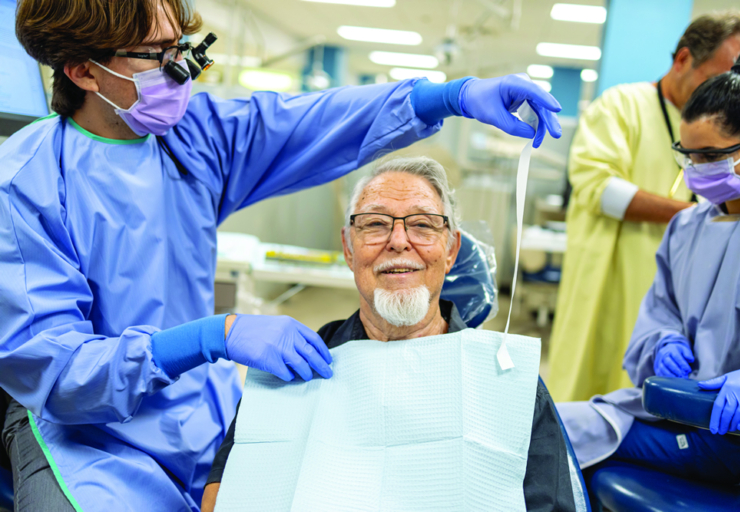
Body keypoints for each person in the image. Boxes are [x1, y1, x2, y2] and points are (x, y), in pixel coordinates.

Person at [0, 0, 563, 509]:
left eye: (182, 52)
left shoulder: (192, 136)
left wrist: (447, 96)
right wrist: (209, 338)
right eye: (155, 57)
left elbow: (306, 121)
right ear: (81, 69)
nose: (179, 74)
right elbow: (59, 371)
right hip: (86, 433)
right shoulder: (25, 185)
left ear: (451, 245)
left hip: (201, 414)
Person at [201, 157, 577, 512]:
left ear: (450, 250)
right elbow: (226, 494)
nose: (398, 240)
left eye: (423, 224)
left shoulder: (507, 385)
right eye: (376, 224)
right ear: (349, 248)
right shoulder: (296, 366)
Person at [559, 54, 740, 488]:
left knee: (556, 435)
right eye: (688, 155)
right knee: (547, 423)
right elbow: (659, 314)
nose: (696, 170)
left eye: (711, 155)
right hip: (674, 411)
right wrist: (662, 341)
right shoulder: (686, 227)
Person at [548, 11, 740, 402]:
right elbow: (597, 187)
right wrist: (691, 217)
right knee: (587, 391)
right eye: (716, 77)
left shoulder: (725, 131)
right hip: (610, 280)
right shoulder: (620, 106)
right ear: (683, 60)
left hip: (679, 287)